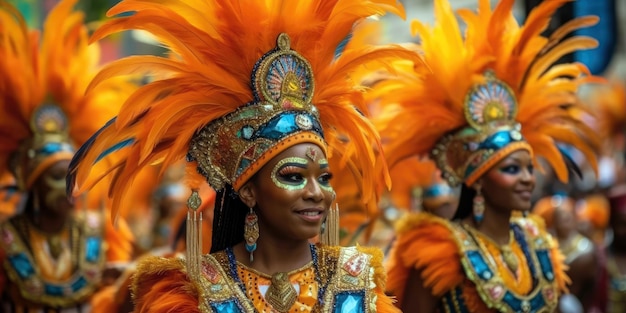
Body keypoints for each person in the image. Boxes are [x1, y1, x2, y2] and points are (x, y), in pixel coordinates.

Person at [66, 0, 419, 312]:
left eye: (323, 177)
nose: (317, 192)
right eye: (294, 176)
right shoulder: (191, 296)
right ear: (248, 190)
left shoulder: (357, 285)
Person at [375, 0, 601, 311]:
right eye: (511, 169)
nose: (526, 178)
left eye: (529, 168)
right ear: (477, 179)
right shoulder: (439, 251)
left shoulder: (539, 245)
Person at [0, 0, 135, 311]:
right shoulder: (6, 239)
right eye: (58, 177)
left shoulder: (100, 236)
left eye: (76, 176)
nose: (71, 187)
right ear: (32, 183)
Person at [534, 194, 598, 311]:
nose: (563, 223)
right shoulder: (548, 243)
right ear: (553, 222)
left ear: (574, 218)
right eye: (559, 219)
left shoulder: (585, 248)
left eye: (567, 218)